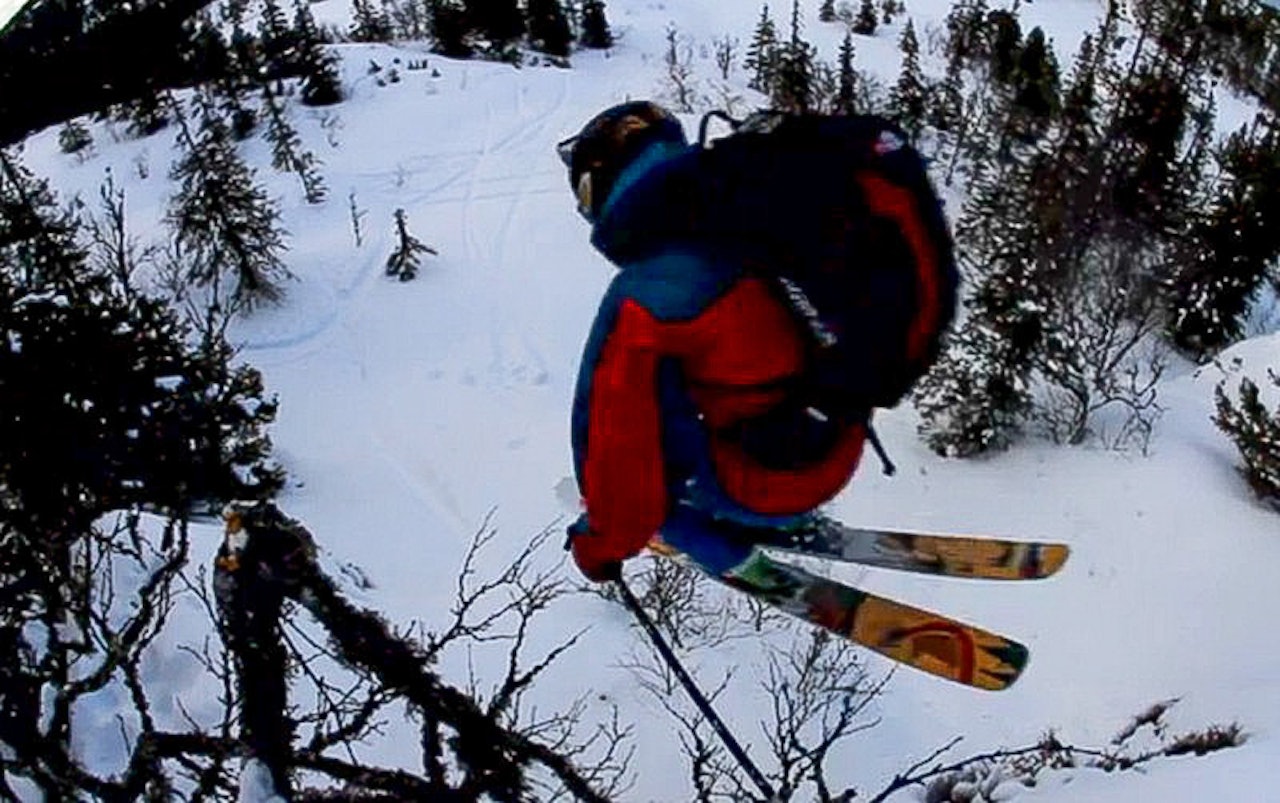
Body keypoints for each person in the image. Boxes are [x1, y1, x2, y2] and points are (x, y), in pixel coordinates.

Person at [558, 101, 870, 583]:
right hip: (839, 446)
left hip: (760, 482)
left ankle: (731, 557)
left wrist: (599, 545)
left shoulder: (644, 299)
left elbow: (617, 455)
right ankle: (789, 516)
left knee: (644, 477)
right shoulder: (770, 216)